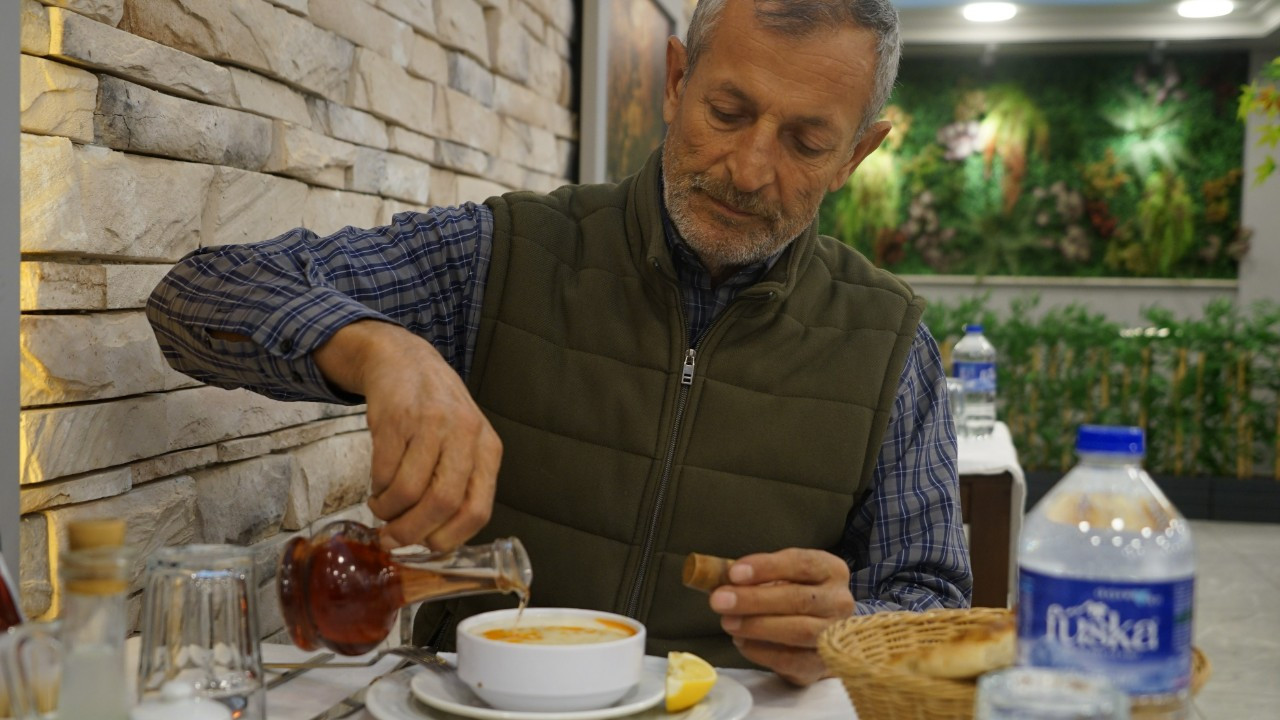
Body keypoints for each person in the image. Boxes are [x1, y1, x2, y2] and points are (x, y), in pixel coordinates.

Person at [147, 0, 972, 686]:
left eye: (805, 143)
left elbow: (934, 604)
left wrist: (849, 628)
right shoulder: (504, 255)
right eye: (729, 112)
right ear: (678, 82)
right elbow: (193, 301)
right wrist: (377, 349)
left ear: (856, 156)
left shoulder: (889, 347)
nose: (751, 170)